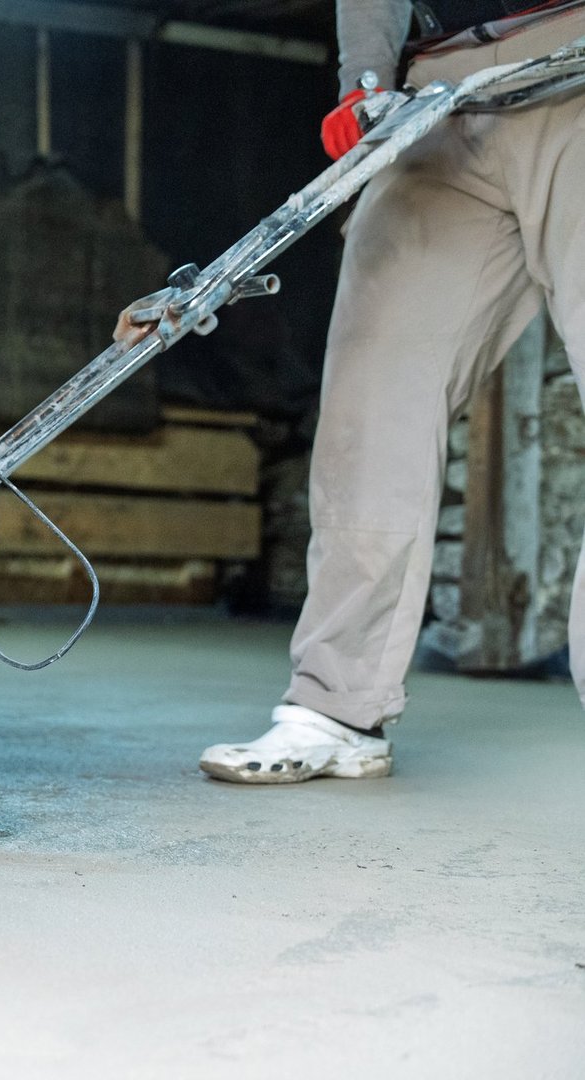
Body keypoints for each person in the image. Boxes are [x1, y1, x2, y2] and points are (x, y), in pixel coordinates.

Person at [198, 0, 585, 783]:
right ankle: (339, 705)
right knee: (371, 407)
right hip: (439, 95)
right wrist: (365, 82)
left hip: (576, 63)